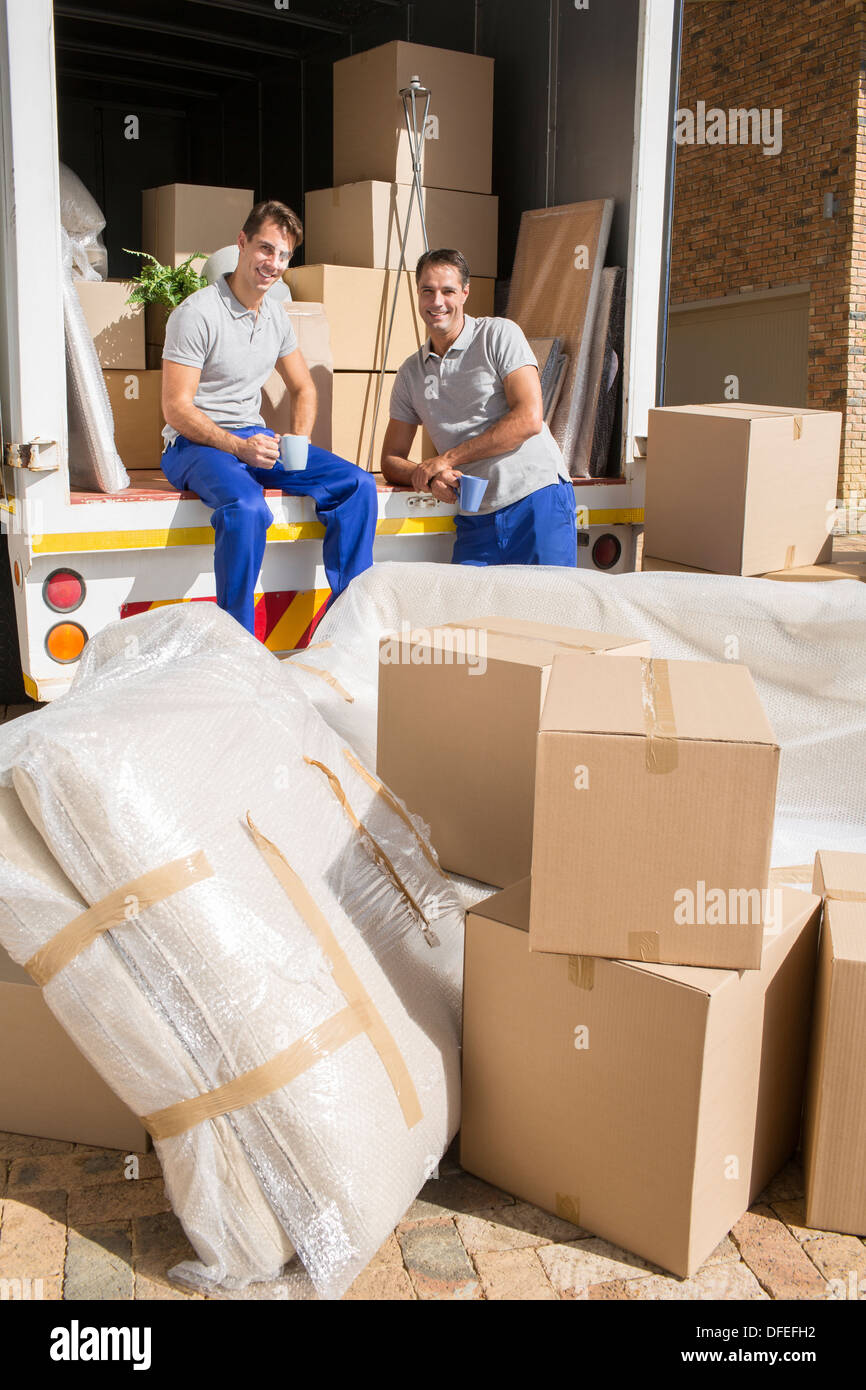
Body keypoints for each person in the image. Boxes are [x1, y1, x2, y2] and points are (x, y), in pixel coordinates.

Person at [160, 199, 377, 634]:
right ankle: (236, 640)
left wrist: (297, 441)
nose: (272, 263)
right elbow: (176, 408)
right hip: (193, 446)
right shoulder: (198, 313)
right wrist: (239, 446)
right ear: (241, 244)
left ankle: (347, 626)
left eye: (283, 255)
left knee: (357, 485)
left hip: (253, 439)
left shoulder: (276, 315)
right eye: (265, 249)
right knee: (247, 507)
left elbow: (304, 387)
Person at [380, 248, 577, 567]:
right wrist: (427, 476)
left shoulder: (499, 335)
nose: (437, 302)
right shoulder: (410, 373)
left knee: (545, 613)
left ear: (465, 293)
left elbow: (529, 418)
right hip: (477, 517)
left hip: (535, 500)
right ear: (417, 295)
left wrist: (446, 459)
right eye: (427, 291)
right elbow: (391, 459)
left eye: (448, 291)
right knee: (471, 617)